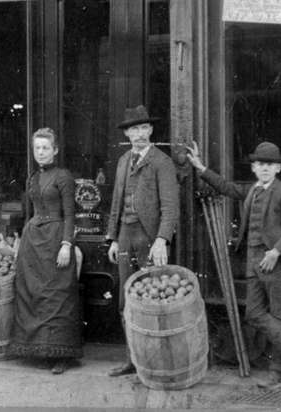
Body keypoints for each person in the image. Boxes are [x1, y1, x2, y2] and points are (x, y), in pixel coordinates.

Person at [185, 140, 281, 388]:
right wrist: (200, 167)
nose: (264, 168)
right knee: (254, 313)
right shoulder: (253, 190)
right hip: (253, 261)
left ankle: (277, 372)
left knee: (279, 315)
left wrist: (276, 251)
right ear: (254, 168)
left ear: (278, 169)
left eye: (270, 165)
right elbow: (225, 187)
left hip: (274, 262)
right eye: (260, 164)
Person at [105, 105, 179, 377]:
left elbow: (170, 207)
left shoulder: (162, 162)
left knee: (153, 297)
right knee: (127, 298)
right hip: (125, 236)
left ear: (150, 130)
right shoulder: (124, 160)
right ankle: (132, 360)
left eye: (142, 128)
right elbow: (116, 201)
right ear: (127, 133)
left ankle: (155, 364)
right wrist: (113, 238)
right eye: (132, 129)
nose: (138, 134)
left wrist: (161, 240)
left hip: (149, 238)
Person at [8, 127, 83, 374]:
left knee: (57, 296)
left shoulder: (63, 177)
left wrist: (66, 244)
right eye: (37, 148)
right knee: (33, 292)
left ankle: (61, 355)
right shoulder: (32, 177)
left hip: (55, 239)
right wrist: (18, 240)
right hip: (33, 239)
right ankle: (37, 350)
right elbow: (28, 211)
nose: (40, 152)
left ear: (55, 150)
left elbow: (70, 215)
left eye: (45, 148)